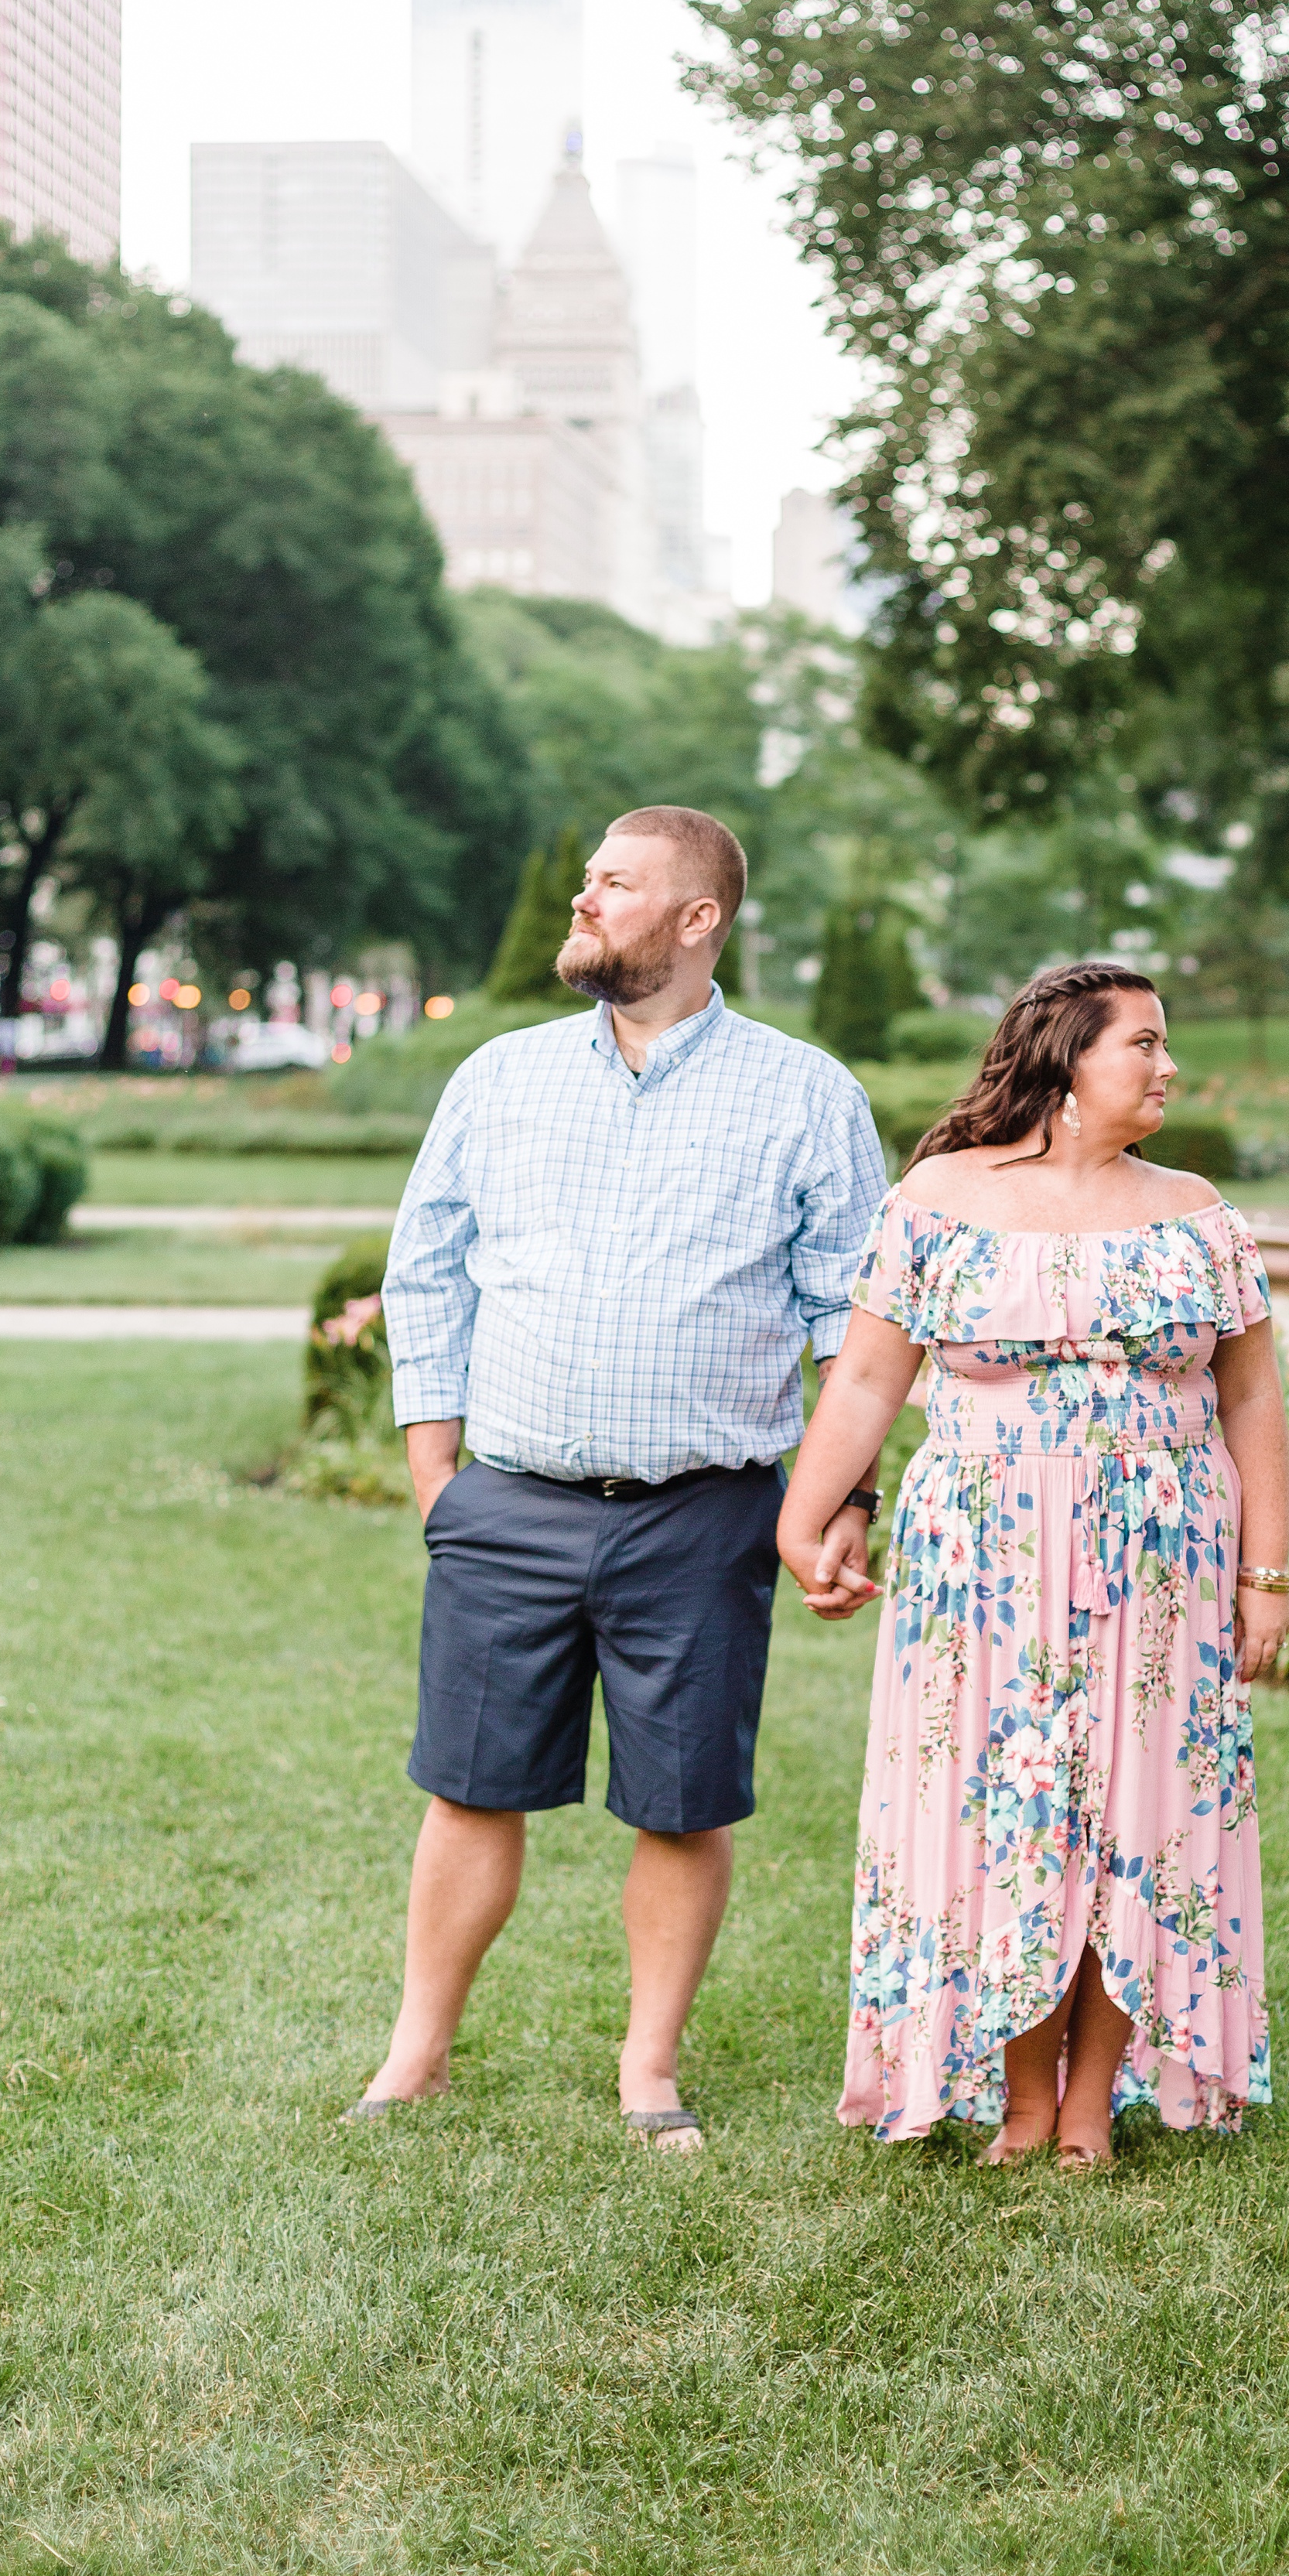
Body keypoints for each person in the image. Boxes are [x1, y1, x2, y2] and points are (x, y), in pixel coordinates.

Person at [350, 805, 885, 2149]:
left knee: (681, 1801)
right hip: (509, 1505)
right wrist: (437, 1481)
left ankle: (649, 2072)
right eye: (588, 879)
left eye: (613, 884)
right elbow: (423, 1273)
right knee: (468, 1787)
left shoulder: (809, 1095)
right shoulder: (500, 1077)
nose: (581, 901)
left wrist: (839, 1506)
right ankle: (416, 2056)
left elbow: (852, 1324)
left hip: (704, 1516)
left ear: (697, 919)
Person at [778, 962, 1288, 2169]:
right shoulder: (941, 1198)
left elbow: (1254, 1395)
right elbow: (864, 1375)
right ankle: (1016, 2091)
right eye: (1144, 1045)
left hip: (1163, 1561)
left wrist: (1265, 1575)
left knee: (1142, 1813)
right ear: (1065, 1060)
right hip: (984, 1559)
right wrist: (803, 1520)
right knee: (1002, 1808)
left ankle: (1089, 2097)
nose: (1168, 1068)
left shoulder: (1196, 1212)